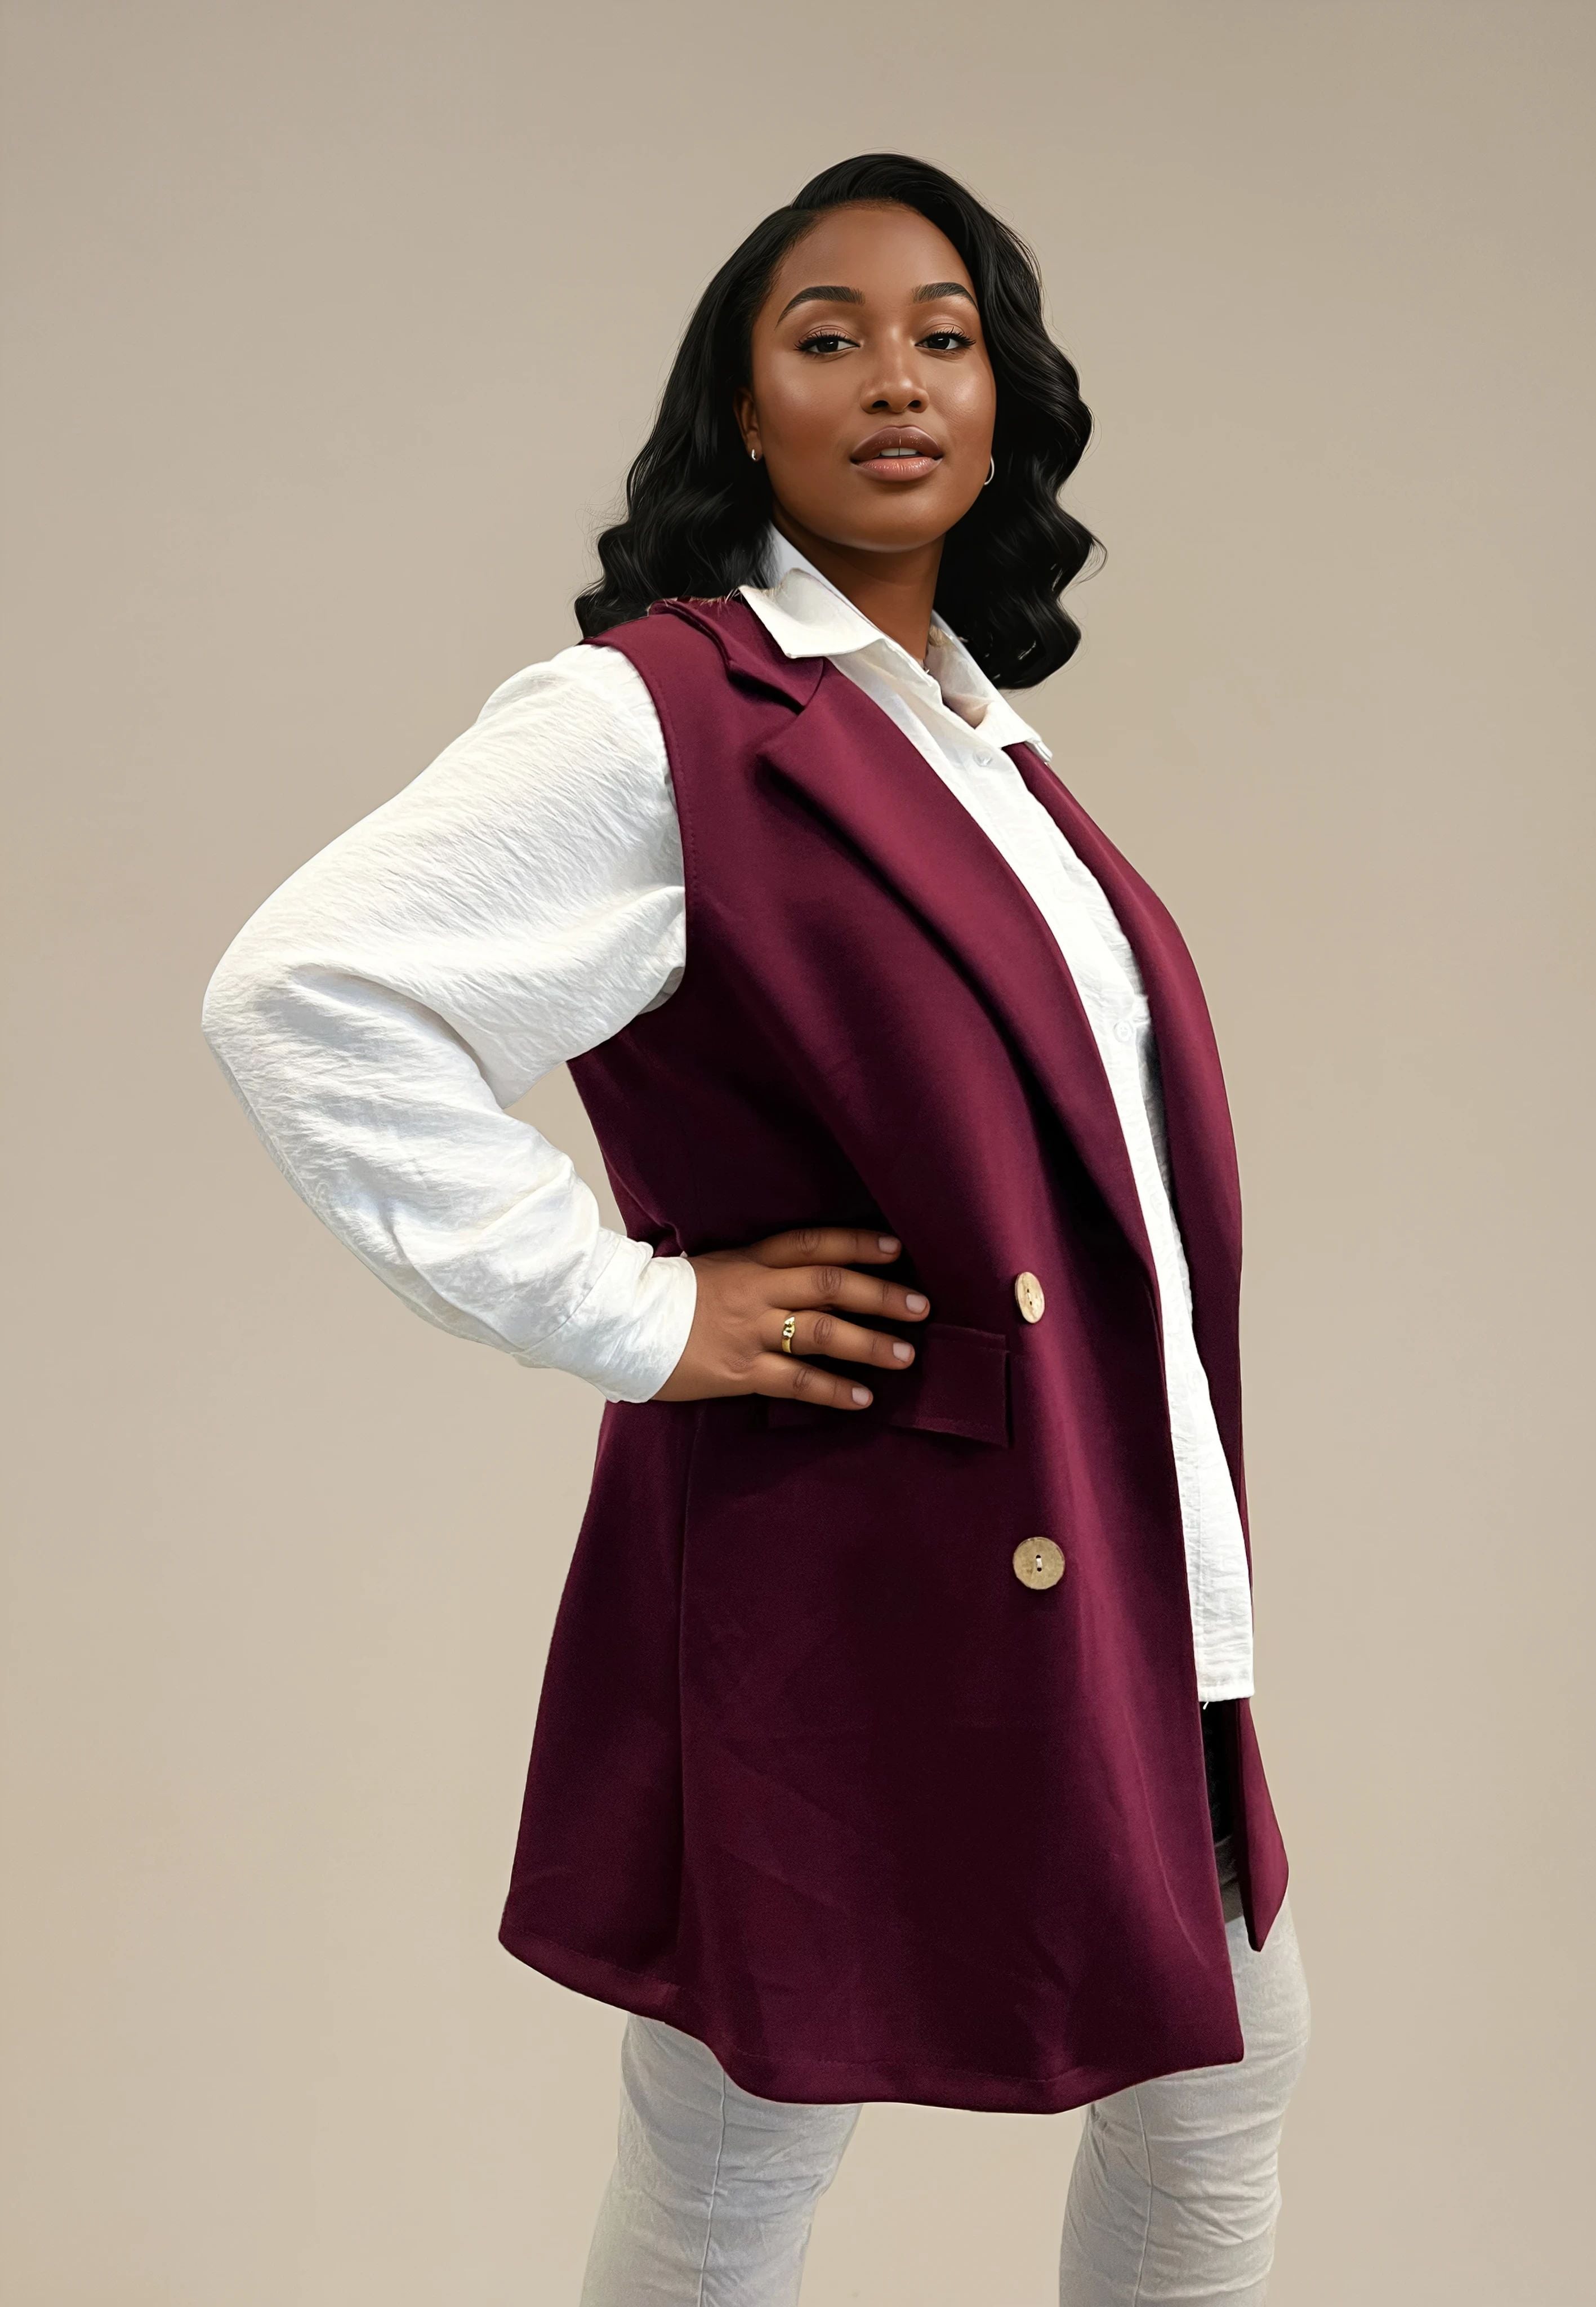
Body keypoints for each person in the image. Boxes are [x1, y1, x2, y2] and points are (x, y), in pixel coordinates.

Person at [203, 153, 1310, 2306]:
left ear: (1000, 403)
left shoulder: (978, 745)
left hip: (1105, 1527)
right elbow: (307, 995)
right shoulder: (662, 711)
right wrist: (636, 1314)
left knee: (1214, 2081)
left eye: (943, 337)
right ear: (741, 407)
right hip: (858, 1541)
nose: (894, 379)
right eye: (828, 338)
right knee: (742, 2134)